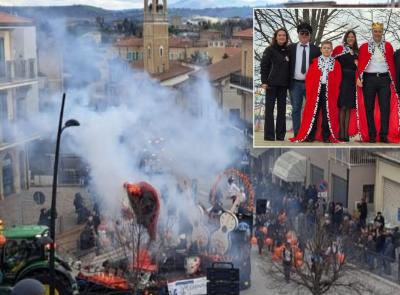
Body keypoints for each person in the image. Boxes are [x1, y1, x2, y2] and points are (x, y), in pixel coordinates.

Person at [290, 40, 342, 142]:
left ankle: (326, 136)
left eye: (328, 48)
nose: (326, 50)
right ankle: (311, 135)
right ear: (321, 49)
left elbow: (338, 79)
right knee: (314, 113)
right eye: (324, 48)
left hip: (329, 91)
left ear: (331, 50)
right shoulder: (315, 62)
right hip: (316, 91)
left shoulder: (336, 63)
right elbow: (309, 78)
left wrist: (332, 88)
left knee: (327, 114)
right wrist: (312, 90)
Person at [356, 22, 400, 143]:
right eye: (375, 31)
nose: (377, 33)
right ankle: (371, 134)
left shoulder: (389, 46)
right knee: (369, 107)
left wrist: (394, 80)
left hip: (384, 79)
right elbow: (360, 64)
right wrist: (359, 77)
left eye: (379, 31)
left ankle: (384, 134)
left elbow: (392, 63)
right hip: (369, 79)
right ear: (372, 32)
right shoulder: (364, 46)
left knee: (385, 107)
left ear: (382, 32)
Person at [288, 22, 321, 137]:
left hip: (310, 84)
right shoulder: (291, 48)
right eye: (302, 33)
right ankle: (297, 133)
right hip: (295, 83)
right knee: (296, 109)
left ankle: (310, 132)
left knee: (312, 108)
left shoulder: (316, 50)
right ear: (298, 34)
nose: (304, 35)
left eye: (307, 33)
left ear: (310, 36)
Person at [261, 28, 290, 141]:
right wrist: (264, 82)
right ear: (276, 37)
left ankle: (280, 135)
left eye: (284, 35)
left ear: (286, 37)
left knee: (282, 110)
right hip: (271, 84)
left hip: (283, 85)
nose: (282, 37)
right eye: (280, 35)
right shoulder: (269, 50)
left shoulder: (288, 51)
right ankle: (269, 135)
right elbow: (264, 66)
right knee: (269, 110)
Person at [332, 30, 359, 141]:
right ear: (346, 38)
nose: (351, 38)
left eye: (352, 36)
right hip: (342, 80)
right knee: (342, 106)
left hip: (352, 81)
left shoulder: (357, 52)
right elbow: (333, 64)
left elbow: (361, 67)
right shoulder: (339, 49)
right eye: (349, 37)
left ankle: (346, 134)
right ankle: (341, 133)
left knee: (348, 108)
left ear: (355, 38)